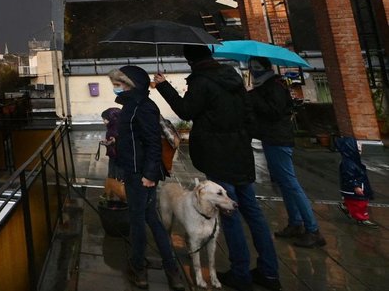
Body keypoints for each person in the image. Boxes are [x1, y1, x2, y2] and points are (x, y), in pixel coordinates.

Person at [154, 45, 280, 291]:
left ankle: (241, 274)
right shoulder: (232, 76)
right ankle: (269, 273)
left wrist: (163, 85)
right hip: (241, 154)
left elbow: (186, 111)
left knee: (228, 215)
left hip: (218, 155)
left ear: (190, 60)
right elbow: (249, 114)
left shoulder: (201, 82)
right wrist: (242, 139)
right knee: (253, 212)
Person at [109, 65, 185, 291]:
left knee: (138, 221)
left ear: (132, 85)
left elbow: (153, 142)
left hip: (140, 174)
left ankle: (139, 267)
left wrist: (150, 175)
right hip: (136, 170)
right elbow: (135, 138)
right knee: (151, 218)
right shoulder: (132, 105)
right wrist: (117, 143)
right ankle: (171, 269)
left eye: (119, 84)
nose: (116, 88)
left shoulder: (142, 106)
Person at [247, 56, 325, 247]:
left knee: (290, 183)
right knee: (284, 183)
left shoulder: (274, 87)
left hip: (278, 139)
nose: (253, 71)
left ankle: (313, 229)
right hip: (272, 138)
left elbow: (273, 112)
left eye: (255, 68)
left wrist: (253, 97)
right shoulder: (270, 86)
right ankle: (296, 222)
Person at [335, 136, 377, 226]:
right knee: (360, 203)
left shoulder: (352, 160)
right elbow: (348, 176)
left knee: (354, 201)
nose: (360, 149)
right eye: (358, 148)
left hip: (357, 186)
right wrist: (355, 186)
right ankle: (361, 218)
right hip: (356, 187)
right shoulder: (349, 163)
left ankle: (346, 206)